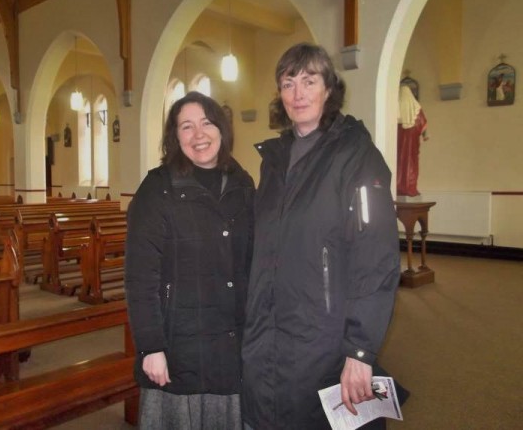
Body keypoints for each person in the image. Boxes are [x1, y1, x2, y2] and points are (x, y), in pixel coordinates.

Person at [241, 43, 401, 430]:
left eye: (309, 81)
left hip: (324, 335)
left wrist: (360, 351)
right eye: (288, 82)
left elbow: (376, 256)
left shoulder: (357, 155)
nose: (298, 93)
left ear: (329, 88)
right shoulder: (274, 160)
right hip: (270, 329)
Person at [124, 91, 255, 429]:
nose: (199, 135)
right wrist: (150, 347)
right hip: (179, 344)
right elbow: (141, 277)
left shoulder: (242, 184)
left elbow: (254, 264)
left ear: (222, 129)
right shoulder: (157, 189)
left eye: (207, 123)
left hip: (231, 340)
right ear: (174, 137)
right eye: (186, 126)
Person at [397, 84, 428, 197]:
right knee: (411, 164)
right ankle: (410, 187)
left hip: (399, 146)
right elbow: (423, 124)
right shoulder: (416, 108)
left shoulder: (396, 108)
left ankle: (398, 186)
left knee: (399, 163)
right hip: (412, 146)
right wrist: (425, 136)